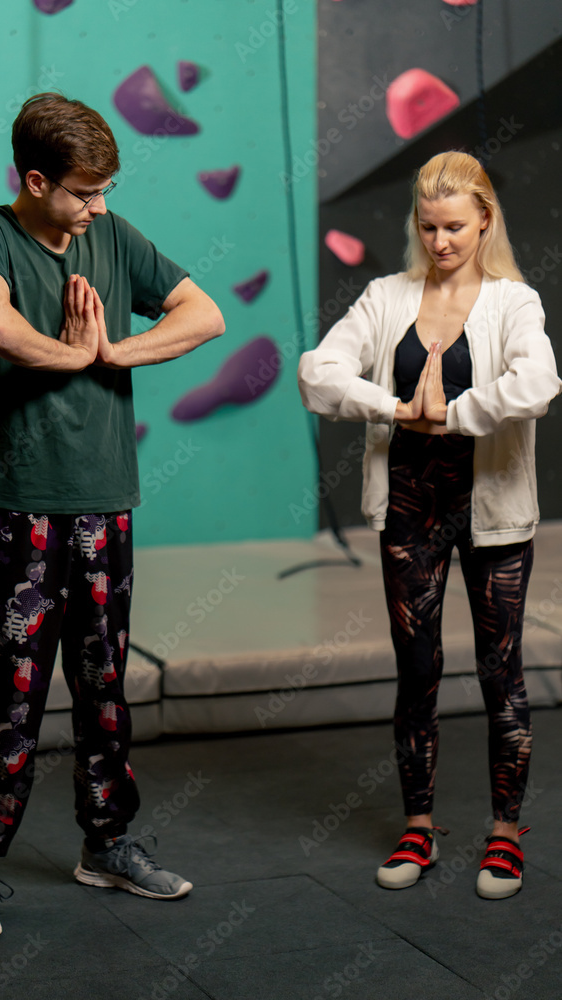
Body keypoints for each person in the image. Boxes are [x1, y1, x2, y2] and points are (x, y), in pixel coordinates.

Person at [0, 92, 225, 939]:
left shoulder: (114, 235)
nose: (99, 207)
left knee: (104, 689)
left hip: (108, 503)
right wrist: (70, 357)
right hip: (22, 509)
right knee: (7, 695)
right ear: (35, 180)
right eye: (84, 192)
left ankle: (107, 844)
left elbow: (204, 315)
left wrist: (113, 351)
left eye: (106, 191)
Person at [298, 151, 561, 900]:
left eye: (454, 227)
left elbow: (538, 382)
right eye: (427, 226)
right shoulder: (385, 296)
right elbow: (317, 373)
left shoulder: (513, 301)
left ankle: (504, 833)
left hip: (493, 515)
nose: (440, 241)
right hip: (410, 514)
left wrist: (454, 412)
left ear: (484, 222)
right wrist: (394, 408)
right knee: (416, 671)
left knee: (500, 674)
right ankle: (418, 825)